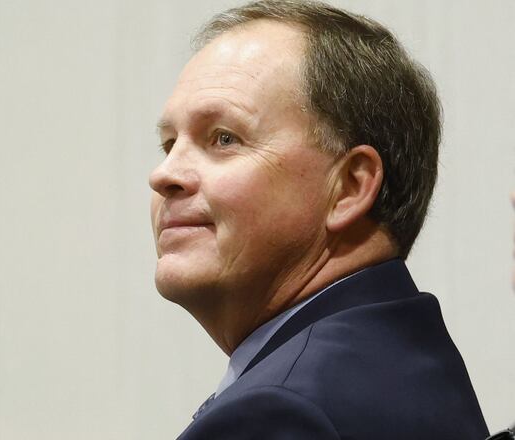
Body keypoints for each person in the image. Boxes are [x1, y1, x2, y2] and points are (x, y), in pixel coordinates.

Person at [149, 1, 489, 438]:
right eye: (169, 144)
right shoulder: (398, 353)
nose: (165, 175)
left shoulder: (279, 413)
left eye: (224, 139)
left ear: (349, 187)